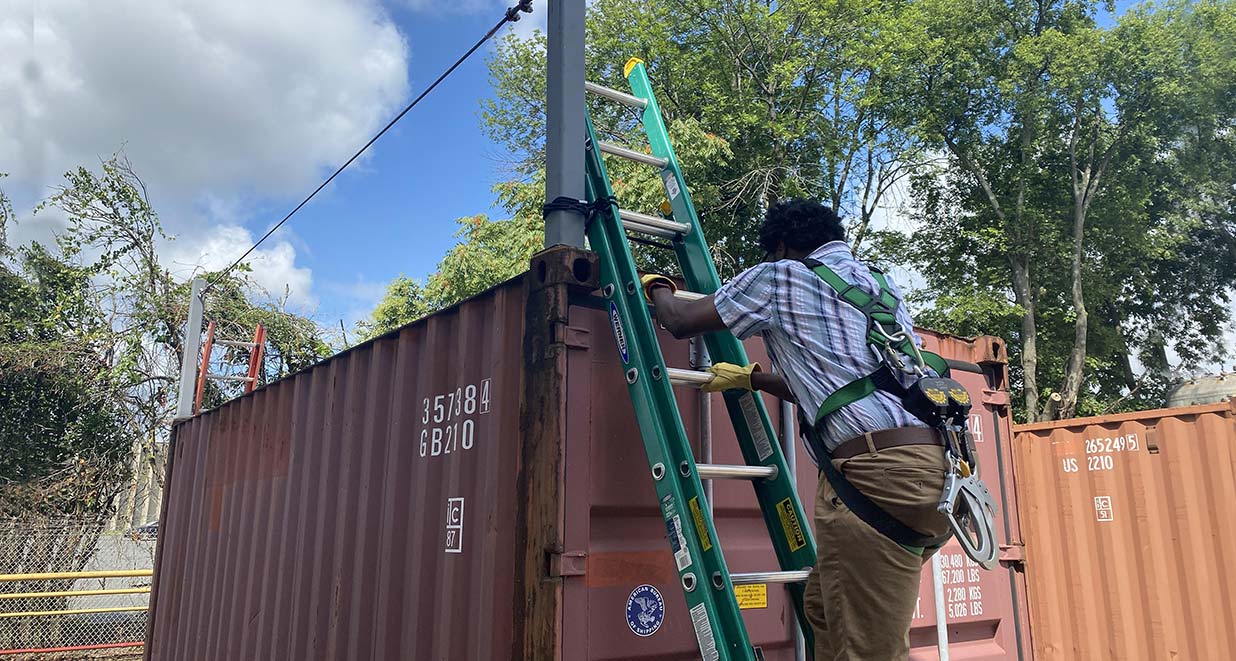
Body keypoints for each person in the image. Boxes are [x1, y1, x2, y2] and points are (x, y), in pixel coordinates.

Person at [641, 198, 950, 661]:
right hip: (940, 472)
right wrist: (755, 378)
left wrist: (659, 288)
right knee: (824, 609)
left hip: (877, 476)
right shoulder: (880, 286)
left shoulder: (779, 276)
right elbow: (858, 385)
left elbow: (681, 321)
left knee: (867, 650)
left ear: (782, 246)